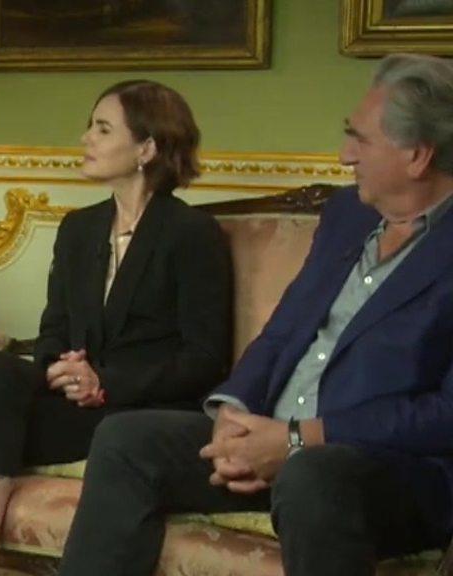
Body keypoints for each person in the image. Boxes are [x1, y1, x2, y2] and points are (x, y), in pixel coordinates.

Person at [59, 53, 453, 576]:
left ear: (418, 157)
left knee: (312, 476)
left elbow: (443, 415)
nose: (344, 156)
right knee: (127, 439)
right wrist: (232, 415)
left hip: (383, 468)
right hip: (272, 435)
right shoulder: (347, 216)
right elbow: (282, 331)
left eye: (360, 140)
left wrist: (299, 439)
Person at [0, 80, 233, 576]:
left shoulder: (191, 235)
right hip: (72, 405)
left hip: (134, 417)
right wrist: (58, 366)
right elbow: (54, 327)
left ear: (147, 148)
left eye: (103, 129)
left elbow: (205, 356)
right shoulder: (79, 229)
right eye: (91, 126)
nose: (86, 138)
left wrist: (106, 383)